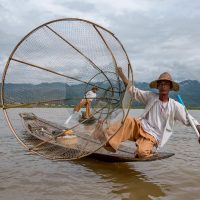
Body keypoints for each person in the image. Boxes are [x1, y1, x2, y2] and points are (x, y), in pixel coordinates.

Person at [94, 67, 200, 158]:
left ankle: (144, 151)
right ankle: (105, 137)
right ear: (157, 86)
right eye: (161, 84)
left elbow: (192, 121)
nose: (163, 86)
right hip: (141, 126)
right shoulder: (151, 97)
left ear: (170, 87)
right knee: (128, 120)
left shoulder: (175, 106)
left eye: (166, 84)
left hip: (152, 136)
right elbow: (133, 90)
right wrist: (122, 75)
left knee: (142, 153)